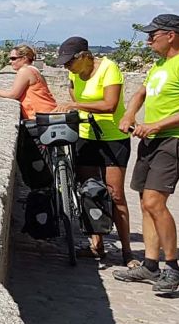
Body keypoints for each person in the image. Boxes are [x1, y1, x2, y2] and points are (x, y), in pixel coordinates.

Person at [112, 14, 179, 295]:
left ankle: (173, 268)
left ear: (172, 35)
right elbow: (140, 93)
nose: (148, 39)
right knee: (145, 201)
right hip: (151, 138)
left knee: (155, 202)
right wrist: (130, 113)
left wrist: (156, 124)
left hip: (175, 139)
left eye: (153, 34)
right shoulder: (160, 64)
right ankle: (150, 264)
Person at [57, 36, 133, 265]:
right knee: (89, 191)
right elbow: (73, 92)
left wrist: (76, 106)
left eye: (69, 62)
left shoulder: (109, 69)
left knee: (115, 194)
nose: (67, 67)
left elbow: (110, 104)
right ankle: (96, 245)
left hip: (113, 137)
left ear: (84, 56)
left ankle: (127, 252)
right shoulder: (73, 73)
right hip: (86, 135)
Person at [0, 44, 57, 118]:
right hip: (47, 112)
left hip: (41, 116)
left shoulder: (24, 71)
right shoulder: (34, 70)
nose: (10, 61)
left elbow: (13, 95)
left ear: (24, 58)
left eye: (13, 58)